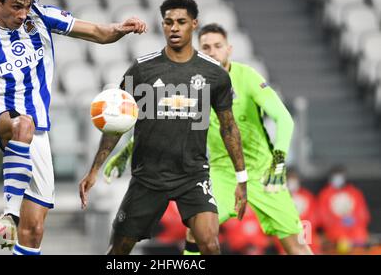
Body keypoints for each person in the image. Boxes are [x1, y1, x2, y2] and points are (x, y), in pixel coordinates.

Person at [0, 0, 146, 255]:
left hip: (33, 134)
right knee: (22, 124)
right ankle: (9, 215)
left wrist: (121, 28)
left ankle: (15, 229)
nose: (23, 13)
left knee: (35, 229)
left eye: (27, 5)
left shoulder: (39, 17)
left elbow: (98, 33)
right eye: (16, 6)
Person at [105, 23, 313, 255]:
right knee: (197, 230)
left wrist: (279, 159)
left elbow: (284, 119)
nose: (213, 51)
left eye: (218, 46)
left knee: (295, 244)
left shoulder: (248, 77)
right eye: (206, 47)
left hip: (263, 172)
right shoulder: (193, 84)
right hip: (221, 173)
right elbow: (165, 125)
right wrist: (126, 152)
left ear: (229, 49)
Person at [79, 0, 247, 255]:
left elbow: (229, 127)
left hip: (193, 175)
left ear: (194, 24)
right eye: (168, 22)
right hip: (148, 177)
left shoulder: (215, 74)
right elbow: (116, 123)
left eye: (181, 22)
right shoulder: (142, 70)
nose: (174, 28)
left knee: (210, 244)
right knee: (119, 250)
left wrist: (241, 178)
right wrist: (94, 170)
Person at [318, 165, 371, 253]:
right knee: (341, 242)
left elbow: (363, 214)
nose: (338, 179)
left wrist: (353, 221)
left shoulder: (354, 192)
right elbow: (323, 217)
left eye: (340, 175)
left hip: (355, 228)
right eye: (335, 176)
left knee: (360, 237)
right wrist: (338, 221)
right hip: (335, 230)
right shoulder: (325, 194)